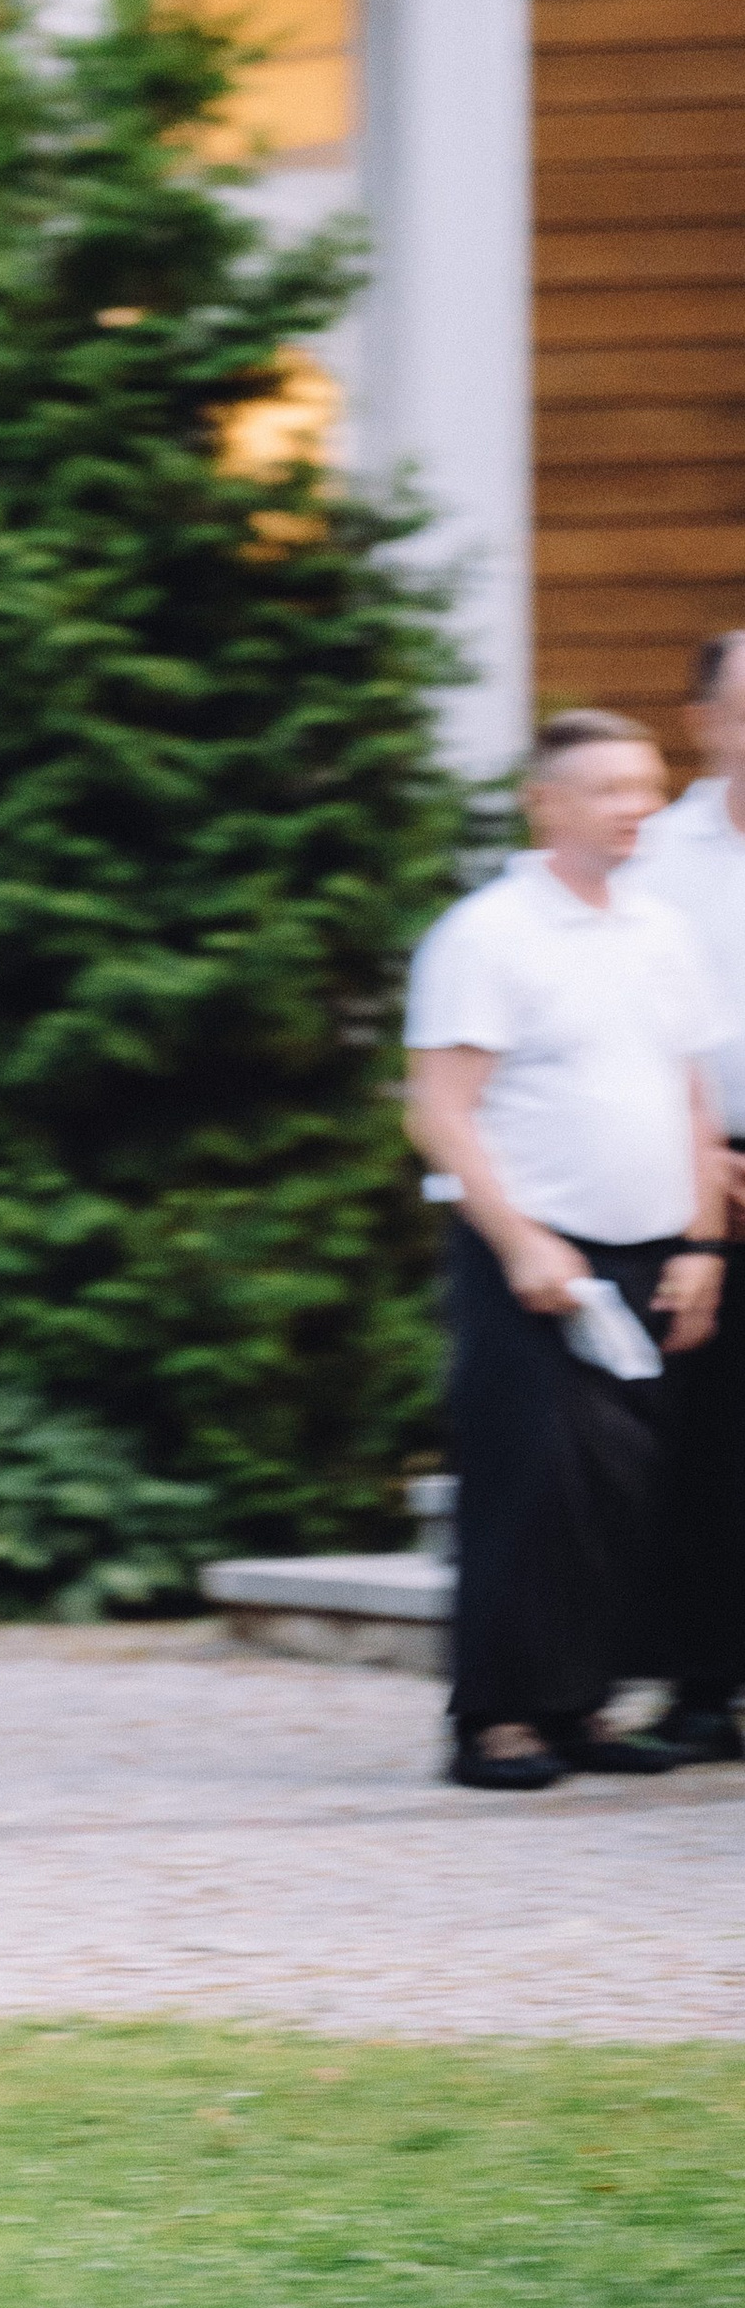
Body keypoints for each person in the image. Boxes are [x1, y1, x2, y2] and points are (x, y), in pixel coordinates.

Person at [405, 710, 728, 1793]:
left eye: (645, 785)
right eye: (605, 789)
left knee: (623, 1492)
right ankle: (494, 1719)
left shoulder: (657, 928)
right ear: (545, 802)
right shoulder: (487, 933)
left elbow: (687, 1092)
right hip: (535, 1254)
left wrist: (701, 1241)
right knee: (530, 1481)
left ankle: (578, 1703)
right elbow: (441, 1111)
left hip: (651, 1249)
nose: (634, 806)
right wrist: (520, 1239)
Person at [628, 631, 745, 1761]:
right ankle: (703, 1684)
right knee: (703, 1433)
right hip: (694, 1167)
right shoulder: (653, 858)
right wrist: (701, 1158)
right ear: (705, 719)